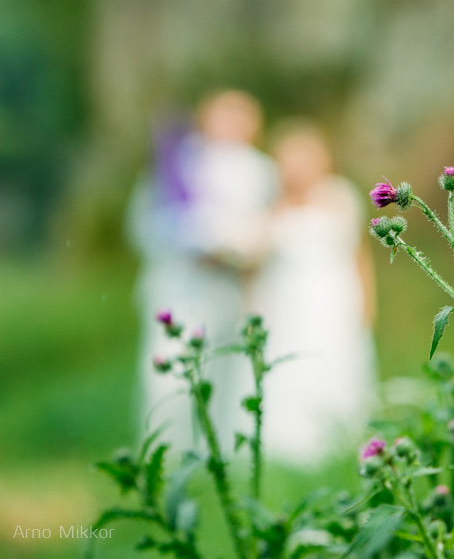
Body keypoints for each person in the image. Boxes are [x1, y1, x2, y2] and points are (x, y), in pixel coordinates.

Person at [129, 90, 279, 453]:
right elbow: (148, 222)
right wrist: (196, 244)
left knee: (226, 372)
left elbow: (267, 226)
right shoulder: (179, 162)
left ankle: (220, 453)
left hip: (230, 289)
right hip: (181, 287)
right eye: (223, 114)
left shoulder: (261, 170)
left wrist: (242, 252)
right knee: (169, 374)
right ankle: (165, 448)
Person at [249, 120, 377, 465]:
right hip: (287, 303)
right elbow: (254, 266)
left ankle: (341, 440)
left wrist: (367, 303)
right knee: (290, 370)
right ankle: (290, 449)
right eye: (290, 162)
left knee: (336, 363)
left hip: (334, 298)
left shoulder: (341, 196)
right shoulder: (270, 207)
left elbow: (359, 255)